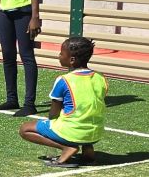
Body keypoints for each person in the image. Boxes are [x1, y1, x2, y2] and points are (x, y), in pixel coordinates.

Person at [21, 36, 107, 166]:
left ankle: (67, 148)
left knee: (25, 129)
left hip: (72, 131)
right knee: (87, 114)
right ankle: (87, 148)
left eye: (61, 53)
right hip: (96, 133)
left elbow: (53, 114)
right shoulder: (100, 78)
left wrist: (51, 123)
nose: (59, 56)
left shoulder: (64, 80)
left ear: (72, 60)